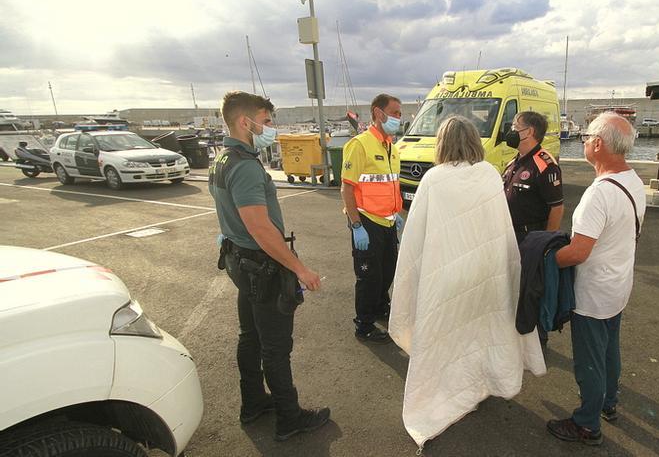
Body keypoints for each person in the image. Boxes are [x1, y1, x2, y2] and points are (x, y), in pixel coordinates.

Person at [389, 116, 546, 450]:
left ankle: (455, 394)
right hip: (485, 271)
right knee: (480, 331)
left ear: (442, 142)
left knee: (449, 336)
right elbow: (500, 227)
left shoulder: (434, 179)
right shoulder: (489, 175)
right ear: (475, 140)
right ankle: (479, 385)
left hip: (447, 274)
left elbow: (416, 236)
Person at [209, 91, 329, 442]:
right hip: (262, 266)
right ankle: (290, 419)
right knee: (275, 347)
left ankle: (253, 403)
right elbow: (261, 228)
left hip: (240, 263)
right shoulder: (245, 166)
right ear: (246, 122)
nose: (271, 128)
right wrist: (300, 269)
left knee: (250, 337)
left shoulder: (223, 159)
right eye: (267, 120)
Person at [546, 112, 645, 446]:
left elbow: (577, 253)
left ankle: (587, 424)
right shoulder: (633, 180)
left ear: (599, 144)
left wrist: (542, 260)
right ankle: (609, 403)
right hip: (618, 286)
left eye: (587, 137)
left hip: (593, 292)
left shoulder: (599, 194)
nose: (585, 142)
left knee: (589, 360)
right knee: (609, 351)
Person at [341, 93, 405, 343]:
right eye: (396, 113)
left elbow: (391, 184)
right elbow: (347, 188)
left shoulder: (391, 146)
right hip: (367, 222)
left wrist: (396, 214)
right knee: (369, 277)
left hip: (388, 222)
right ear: (379, 114)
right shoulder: (360, 145)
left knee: (387, 271)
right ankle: (364, 324)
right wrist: (356, 225)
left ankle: (380, 307)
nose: (400, 118)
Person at [501, 111, 564, 244]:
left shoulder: (544, 165)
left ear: (529, 131)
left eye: (515, 127)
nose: (510, 131)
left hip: (531, 239)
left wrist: (546, 243)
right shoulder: (514, 162)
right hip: (511, 236)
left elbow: (557, 208)